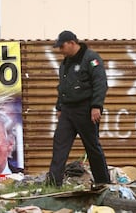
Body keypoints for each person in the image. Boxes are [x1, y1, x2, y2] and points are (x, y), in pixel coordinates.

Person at [48, 30, 111, 187]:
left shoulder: (90, 58)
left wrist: (96, 106)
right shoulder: (66, 62)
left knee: (92, 147)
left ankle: (103, 181)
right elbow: (63, 86)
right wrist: (59, 106)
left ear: (72, 43)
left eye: (62, 46)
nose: (60, 50)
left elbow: (100, 83)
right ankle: (53, 183)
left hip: (85, 109)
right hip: (68, 110)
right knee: (59, 144)